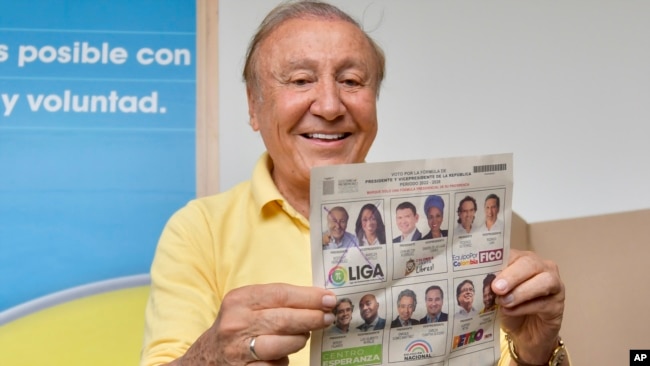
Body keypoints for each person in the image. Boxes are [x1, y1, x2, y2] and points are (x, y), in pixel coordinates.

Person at [141, 1, 570, 366]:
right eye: (300, 80)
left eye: (350, 81)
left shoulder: (453, 221)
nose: (329, 106)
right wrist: (211, 355)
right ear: (254, 107)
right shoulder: (198, 230)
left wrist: (535, 353)